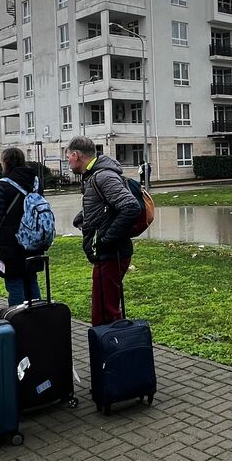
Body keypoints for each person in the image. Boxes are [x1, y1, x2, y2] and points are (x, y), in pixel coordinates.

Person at [66, 137, 139, 326]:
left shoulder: (103, 176)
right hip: (108, 255)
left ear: (76, 155)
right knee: (105, 309)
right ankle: (110, 349)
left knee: (106, 314)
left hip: (112, 254)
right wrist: (83, 217)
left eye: (68, 157)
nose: (68, 162)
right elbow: (104, 206)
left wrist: (105, 240)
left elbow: (130, 207)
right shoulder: (94, 176)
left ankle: (112, 350)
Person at [0, 146, 41, 305]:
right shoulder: (35, 180)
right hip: (33, 237)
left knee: (14, 281)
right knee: (31, 278)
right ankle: (37, 316)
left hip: (11, 242)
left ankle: (18, 320)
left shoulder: (2, 185)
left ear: (5, 162)